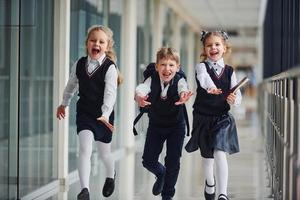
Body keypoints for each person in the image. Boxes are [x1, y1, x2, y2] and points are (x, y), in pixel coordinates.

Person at [56, 25, 121, 200]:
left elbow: (110, 93)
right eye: (93, 40)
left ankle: (111, 173)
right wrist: (64, 103)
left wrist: (105, 114)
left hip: (103, 116)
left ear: (107, 47)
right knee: (84, 149)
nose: (96, 43)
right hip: (85, 113)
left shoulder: (110, 68)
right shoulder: (79, 64)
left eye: (101, 41)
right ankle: (84, 190)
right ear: (87, 43)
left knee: (104, 153)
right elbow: (71, 85)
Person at [185, 30, 242, 200]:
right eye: (209, 45)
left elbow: (237, 94)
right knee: (207, 157)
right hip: (203, 117)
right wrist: (210, 88)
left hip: (222, 117)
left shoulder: (230, 71)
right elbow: (203, 79)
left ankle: (222, 193)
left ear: (224, 48)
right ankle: (210, 182)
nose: (213, 48)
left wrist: (234, 99)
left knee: (219, 152)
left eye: (217, 44)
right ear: (204, 49)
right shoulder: (201, 67)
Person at [135, 47, 193, 200]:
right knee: (148, 161)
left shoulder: (180, 80)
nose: (167, 69)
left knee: (173, 161)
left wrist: (183, 95)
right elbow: (142, 88)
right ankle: (161, 173)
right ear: (156, 66)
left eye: (171, 65)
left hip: (176, 126)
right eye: (163, 64)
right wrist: (139, 96)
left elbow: (183, 88)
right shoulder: (151, 79)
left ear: (177, 67)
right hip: (156, 125)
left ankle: (167, 195)